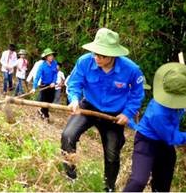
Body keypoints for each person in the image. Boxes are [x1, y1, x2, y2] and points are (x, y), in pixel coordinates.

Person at [61, 28, 145, 192]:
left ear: (113, 55)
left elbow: (137, 94)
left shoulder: (131, 69)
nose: (97, 58)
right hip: (88, 106)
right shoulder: (85, 62)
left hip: (114, 114)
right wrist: (75, 99)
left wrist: (127, 113)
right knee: (67, 136)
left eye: (102, 55)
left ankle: (109, 187)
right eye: (95, 53)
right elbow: (75, 83)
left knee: (112, 154)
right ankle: (70, 177)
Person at [123, 62, 186, 192]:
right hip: (146, 142)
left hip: (165, 147)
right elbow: (171, 137)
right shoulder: (158, 113)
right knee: (138, 181)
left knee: (162, 185)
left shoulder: (180, 102)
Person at [32, 48, 58, 119]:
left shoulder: (54, 63)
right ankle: (46, 116)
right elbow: (37, 77)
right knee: (44, 101)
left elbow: (55, 73)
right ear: (46, 57)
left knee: (51, 100)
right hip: (44, 85)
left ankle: (41, 110)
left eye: (52, 55)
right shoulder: (42, 66)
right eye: (49, 56)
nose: (51, 57)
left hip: (51, 86)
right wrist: (34, 87)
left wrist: (53, 82)